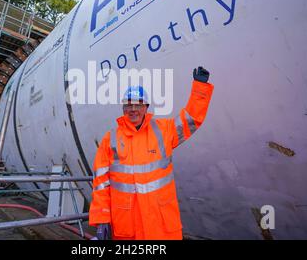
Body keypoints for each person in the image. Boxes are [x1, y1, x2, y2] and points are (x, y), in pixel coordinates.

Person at [89, 67, 214, 240]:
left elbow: (191, 120)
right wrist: (102, 218)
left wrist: (200, 88)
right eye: (129, 104)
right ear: (123, 108)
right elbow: (101, 184)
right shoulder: (109, 140)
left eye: (138, 104)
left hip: (161, 228)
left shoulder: (164, 131)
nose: (133, 109)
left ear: (146, 107)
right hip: (127, 229)